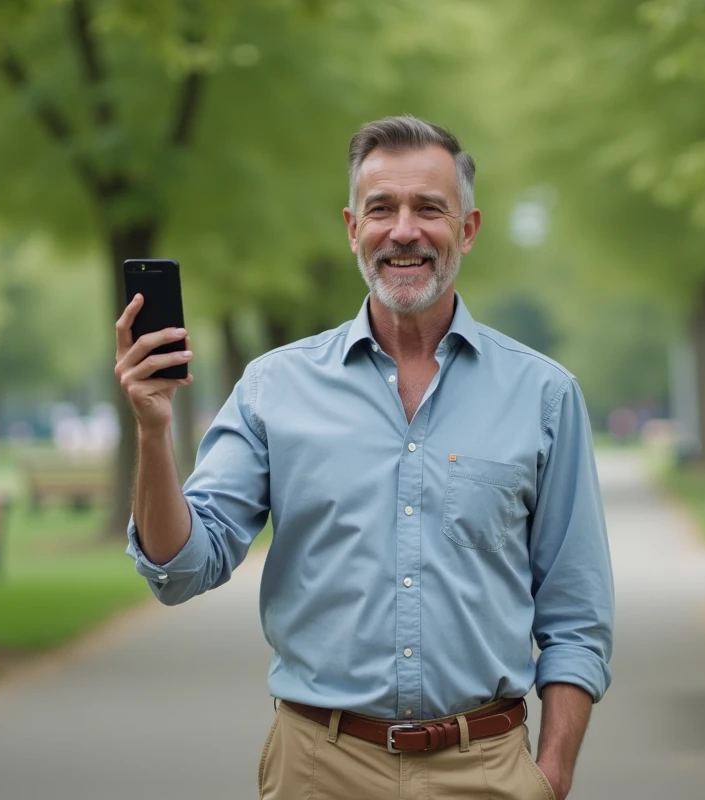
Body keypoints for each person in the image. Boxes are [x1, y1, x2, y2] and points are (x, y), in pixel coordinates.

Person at [115, 116, 614, 800]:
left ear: (466, 230)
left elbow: (576, 614)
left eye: (429, 209)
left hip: (488, 770)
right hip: (319, 769)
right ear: (353, 228)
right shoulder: (273, 387)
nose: (403, 230)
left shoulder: (545, 394)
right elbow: (182, 569)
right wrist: (151, 429)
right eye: (382, 209)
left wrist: (550, 776)